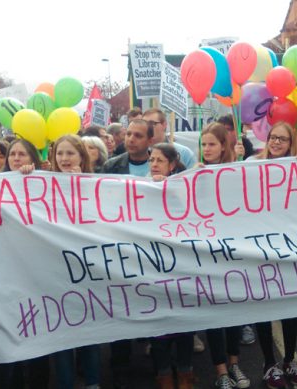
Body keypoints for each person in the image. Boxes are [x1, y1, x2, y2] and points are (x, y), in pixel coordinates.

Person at [244, 122, 297, 388]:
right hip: (259, 247)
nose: (276, 143)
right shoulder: (250, 163)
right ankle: (269, 362)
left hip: (288, 248)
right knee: (264, 306)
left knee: (289, 307)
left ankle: (289, 360)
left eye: (282, 139)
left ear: (290, 142)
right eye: (273, 137)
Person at [0, 138, 49, 389]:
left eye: (22, 154)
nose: (15, 158)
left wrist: (32, 178)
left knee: (39, 343)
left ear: (32, 159)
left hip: (37, 277)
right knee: (8, 343)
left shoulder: (43, 183)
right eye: (12, 154)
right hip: (5, 278)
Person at [101, 119, 155, 389]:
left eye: (138, 135)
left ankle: (157, 366)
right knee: (120, 305)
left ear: (149, 141)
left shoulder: (162, 165)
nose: (131, 139)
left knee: (153, 304)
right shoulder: (111, 166)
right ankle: (120, 368)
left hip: (153, 248)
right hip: (120, 247)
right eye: (129, 134)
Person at [46, 135, 101, 389]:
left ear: (82, 156)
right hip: (56, 271)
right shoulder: (41, 185)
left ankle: (92, 382)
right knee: (62, 336)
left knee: (89, 333)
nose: (64, 159)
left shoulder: (97, 184)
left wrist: (79, 186)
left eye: (70, 153)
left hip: (89, 271)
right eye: (60, 153)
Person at [198, 122, 250, 389]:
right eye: (203, 144)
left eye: (212, 144)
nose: (207, 149)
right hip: (207, 256)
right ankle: (220, 372)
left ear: (223, 146)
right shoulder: (193, 175)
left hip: (233, 253)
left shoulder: (236, 172)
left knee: (234, 313)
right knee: (214, 315)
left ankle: (234, 364)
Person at [147, 143, 195, 389]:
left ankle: (185, 373)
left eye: (160, 160)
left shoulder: (183, 189)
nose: (154, 164)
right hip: (153, 268)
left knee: (184, 324)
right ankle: (164, 375)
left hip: (180, 268)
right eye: (151, 160)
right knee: (159, 328)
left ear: (172, 165)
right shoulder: (138, 189)